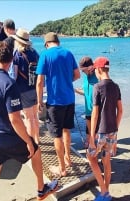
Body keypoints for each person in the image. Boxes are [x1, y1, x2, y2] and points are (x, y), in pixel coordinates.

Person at [0, 41, 58, 201]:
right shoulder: (9, 84)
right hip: (7, 137)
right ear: (11, 60)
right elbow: (15, 120)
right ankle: (41, 189)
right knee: (36, 152)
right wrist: (29, 142)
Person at [36, 32, 80, 177]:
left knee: (56, 135)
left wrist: (39, 101)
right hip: (69, 99)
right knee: (67, 130)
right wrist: (66, 82)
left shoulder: (45, 55)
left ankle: (62, 169)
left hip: (55, 102)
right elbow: (77, 75)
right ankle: (68, 159)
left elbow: (40, 81)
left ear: (47, 44)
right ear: (58, 42)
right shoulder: (68, 53)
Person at [87, 56, 123, 201]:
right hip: (112, 131)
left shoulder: (98, 87)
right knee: (106, 161)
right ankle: (106, 191)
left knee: (91, 157)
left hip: (100, 132)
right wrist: (115, 129)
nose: (95, 71)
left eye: (95, 69)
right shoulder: (116, 86)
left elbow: (95, 113)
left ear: (100, 69)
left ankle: (103, 191)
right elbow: (120, 111)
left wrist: (91, 136)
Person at [10, 28, 40, 144]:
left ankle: (32, 143)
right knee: (35, 117)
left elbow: (14, 76)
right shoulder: (34, 53)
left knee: (28, 118)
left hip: (23, 90)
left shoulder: (16, 55)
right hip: (35, 88)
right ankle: (37, 139)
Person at [74, 56, 99, 148]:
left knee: (97, 132)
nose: (82, 72)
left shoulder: (97, 76)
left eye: (83, 70)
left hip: (97, 110)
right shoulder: (86, 77)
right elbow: (85, 92)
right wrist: (75, 90)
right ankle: (90, 143)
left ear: (90, 67)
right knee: (88, 131)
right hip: (88, 109)